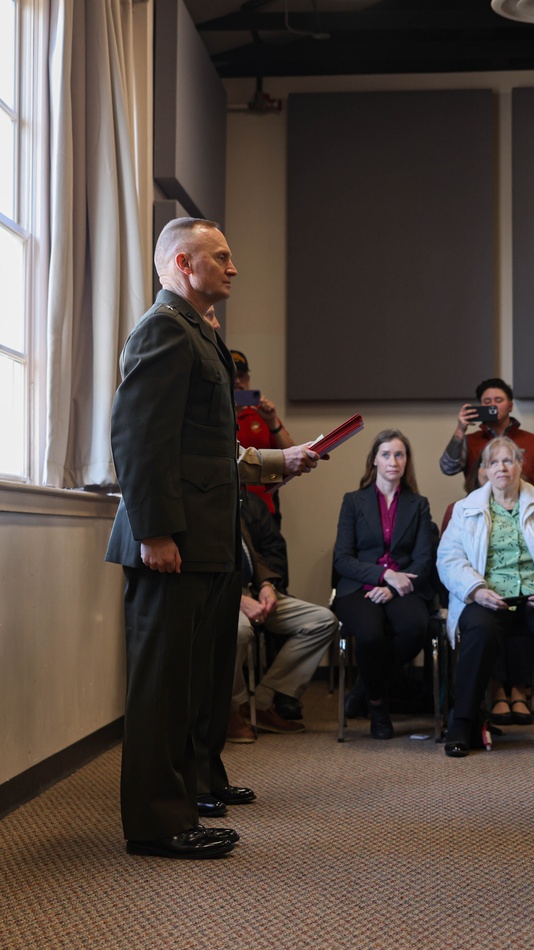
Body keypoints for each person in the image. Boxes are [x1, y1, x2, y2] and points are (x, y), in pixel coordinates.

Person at [106, 217, 320, 860]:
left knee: (190, 684)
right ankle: (155, 824)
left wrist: (280, 461)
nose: (233, 268)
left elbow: (204, 450)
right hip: (171, 541)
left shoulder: (195, 332)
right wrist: (156, 533)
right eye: (220, 257)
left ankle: (183, 801)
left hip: (203, 541)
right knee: (161, 687)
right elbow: (139, 440)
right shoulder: (164, 329)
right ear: (180, 263)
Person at [437, 437, 534, 757]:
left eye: (508, 461)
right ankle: (462, 723)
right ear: (484, 471)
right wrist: (476, 591)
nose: (502, 467)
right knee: (479, 629)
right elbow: (448, 559)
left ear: (521, 466)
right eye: (494, 462)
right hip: (488, 597)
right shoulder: (465, 509)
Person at [333, 430, 438, 740]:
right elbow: (342, 559)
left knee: (415, 628)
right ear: (374, 461)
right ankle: (378, 707)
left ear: (407, 462)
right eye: (386, 454)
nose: (393, 460)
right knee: (369, 635)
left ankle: (365, 688)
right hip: (359, 587)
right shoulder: (353, 501)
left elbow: (422, 560)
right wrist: (382, 576)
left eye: (400, 454)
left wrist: (393, 586)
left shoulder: (418, 504)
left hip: (403, 587)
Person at [225, 491, 338, 746]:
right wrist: (238, 600)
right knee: (240, 632)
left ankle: (263, 702)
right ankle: (233, 709)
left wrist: (266, 585)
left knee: (322, 620)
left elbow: (253, 555)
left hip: (255, 589)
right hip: (224, 597)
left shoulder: (237, 502)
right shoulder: (201, 505)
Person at [440, 377, 534, 507]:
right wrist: (460, 430)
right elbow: (448, 469)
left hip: (525, 509)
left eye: (498, 400)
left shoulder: (532, 441)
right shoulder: (469, 441)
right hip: (480, 510)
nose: (492, 405)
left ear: (510, 406)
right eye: (487, 401)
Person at [229, 344, 296, 526]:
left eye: (242, 377)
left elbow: (293, 455)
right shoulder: (214, 416)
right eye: (232, 377)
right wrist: (230, 414)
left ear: (249, 378)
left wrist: (272, 422)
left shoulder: (261, 413)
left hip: (264, 510)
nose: (238, 383)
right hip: (228, 509)